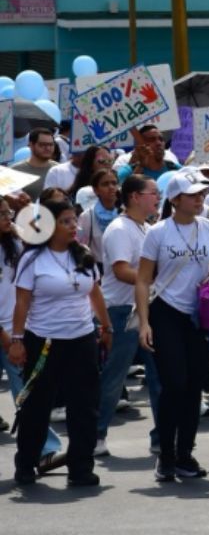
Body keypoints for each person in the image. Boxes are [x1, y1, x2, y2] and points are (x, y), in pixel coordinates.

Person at [9, 199, 112, 487]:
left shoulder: (84, 255)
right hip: (44, 343)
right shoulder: (32, 260)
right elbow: (22, 301)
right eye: (66, 221)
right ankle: (26, 463)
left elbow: (96, 294)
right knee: (36, 408)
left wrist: (106, 326)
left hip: (81, 340)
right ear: (49, 226)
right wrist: (17, 340)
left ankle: (80, 467)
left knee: (84, 406)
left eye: (74, 221)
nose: (74, 226)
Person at [136, 168, 209, 481]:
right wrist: (144, 322)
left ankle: (185, 455)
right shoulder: (158, 232)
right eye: (193, 194)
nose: (200, 198)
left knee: (195, 384)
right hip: (165, 311)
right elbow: (144, 279)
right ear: (175, 199)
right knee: (174, 383)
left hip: (198, 315)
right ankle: (166, 455)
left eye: (202, 193)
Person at [95, 174, 163, 457]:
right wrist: (155, 279)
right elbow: (122, 271)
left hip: (146, 310)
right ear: (135, 197)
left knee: (160, 377)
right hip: (121, 312)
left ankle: (162, 436)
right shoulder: (120, 229)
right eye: (153, 192)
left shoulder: (146, 228)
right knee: (113, 378)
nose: (157, 197)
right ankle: (94, 434)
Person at [0, 196, 66, 475]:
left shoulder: (16, 246)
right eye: (2, 214)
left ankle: (45, 450)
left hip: (16, 331)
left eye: (9, 213)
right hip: (6, 333)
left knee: (28, 393)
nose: (8, 218)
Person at [76, 168, 120, 270]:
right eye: (105, 184)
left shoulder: (124, 213)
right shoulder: (87, 216)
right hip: (98, 269)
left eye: (114, 183)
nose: (111, 187)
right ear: (96, 190)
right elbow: (81, 247)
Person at [13, 127, 58, 197]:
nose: (48, 148)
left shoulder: (59, 169)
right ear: (31, 145)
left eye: (51, 144)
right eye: (43, 145)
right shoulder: (16, 170)